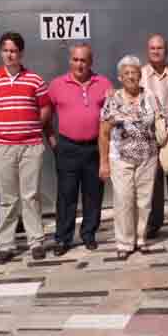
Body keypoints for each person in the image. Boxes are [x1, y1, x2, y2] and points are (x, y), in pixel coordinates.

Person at [0, 32, 51, 263]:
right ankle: (7, 244)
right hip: (2, 147)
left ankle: (36, 241)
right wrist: (2, 126)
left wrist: (30, 127)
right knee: (7, 198)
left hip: (31, 146)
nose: (10, 54)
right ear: (1, 52)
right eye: (6, 50)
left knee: (31, 196)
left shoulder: (35, 80)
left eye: (14, 51)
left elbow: (45, 110)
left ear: (21, 53)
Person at [100, 55, 168, 259]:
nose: (131, 76)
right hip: (121, 157)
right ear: (120, 77)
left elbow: (160, 122)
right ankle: (124, 242)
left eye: (135, 73)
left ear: (140, 75)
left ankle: (140, 238)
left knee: (144, 201)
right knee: (123, 199)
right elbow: (103, 132)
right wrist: (103, 161)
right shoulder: (113, 99)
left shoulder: (150, 97)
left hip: (147, 156)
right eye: (127, 73)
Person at [47, 43, 112, 255]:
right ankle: (63, 238)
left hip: (94, 147)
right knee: (66, 195)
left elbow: (111, 117)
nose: (79, 64)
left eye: (83, 60)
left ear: (90, 62)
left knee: (93, 194)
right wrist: (53, 141)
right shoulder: (57, 85)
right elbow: (46, 116)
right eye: (75, 60)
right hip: (67, 147)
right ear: (70, 61)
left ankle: (89, 234)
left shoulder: (103, 83)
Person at [141, 34, 168, 241]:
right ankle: (154, 222)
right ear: (147, 51)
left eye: (160, 48)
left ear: (166, 50)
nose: (156, 51)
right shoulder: (139, 74)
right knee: (152, 180)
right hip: (148, 133)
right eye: (152, 48)